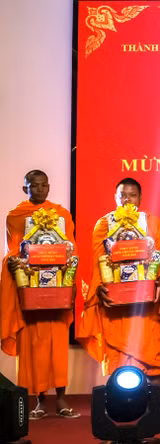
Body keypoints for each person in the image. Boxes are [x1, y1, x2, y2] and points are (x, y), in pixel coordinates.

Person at [78, 178, 160, 391]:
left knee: (150, 349)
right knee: (117, 355)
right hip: (116, 304)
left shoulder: (153, 223)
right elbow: (97, 261)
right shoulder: (104, 225)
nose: (127, 200)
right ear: (115, 198)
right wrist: (99, 287)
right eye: (123, 195)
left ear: (140, 198)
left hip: (145, 304)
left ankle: (154, 400)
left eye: (132, 195)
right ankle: (118, 401)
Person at [0, 170, 79, 419]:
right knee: (33, 347)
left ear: (49, 187)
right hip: (31, 288)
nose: (40, 189)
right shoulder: (16, 216)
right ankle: (39, 401)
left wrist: (68, 266)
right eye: (34, 185)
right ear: (25, 189)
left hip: (56, 287)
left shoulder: (61, 214)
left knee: (58, 347)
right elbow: (14, 250)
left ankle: (61, 399)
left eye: (44, 185)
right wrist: (14, 262)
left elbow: (71, 247)